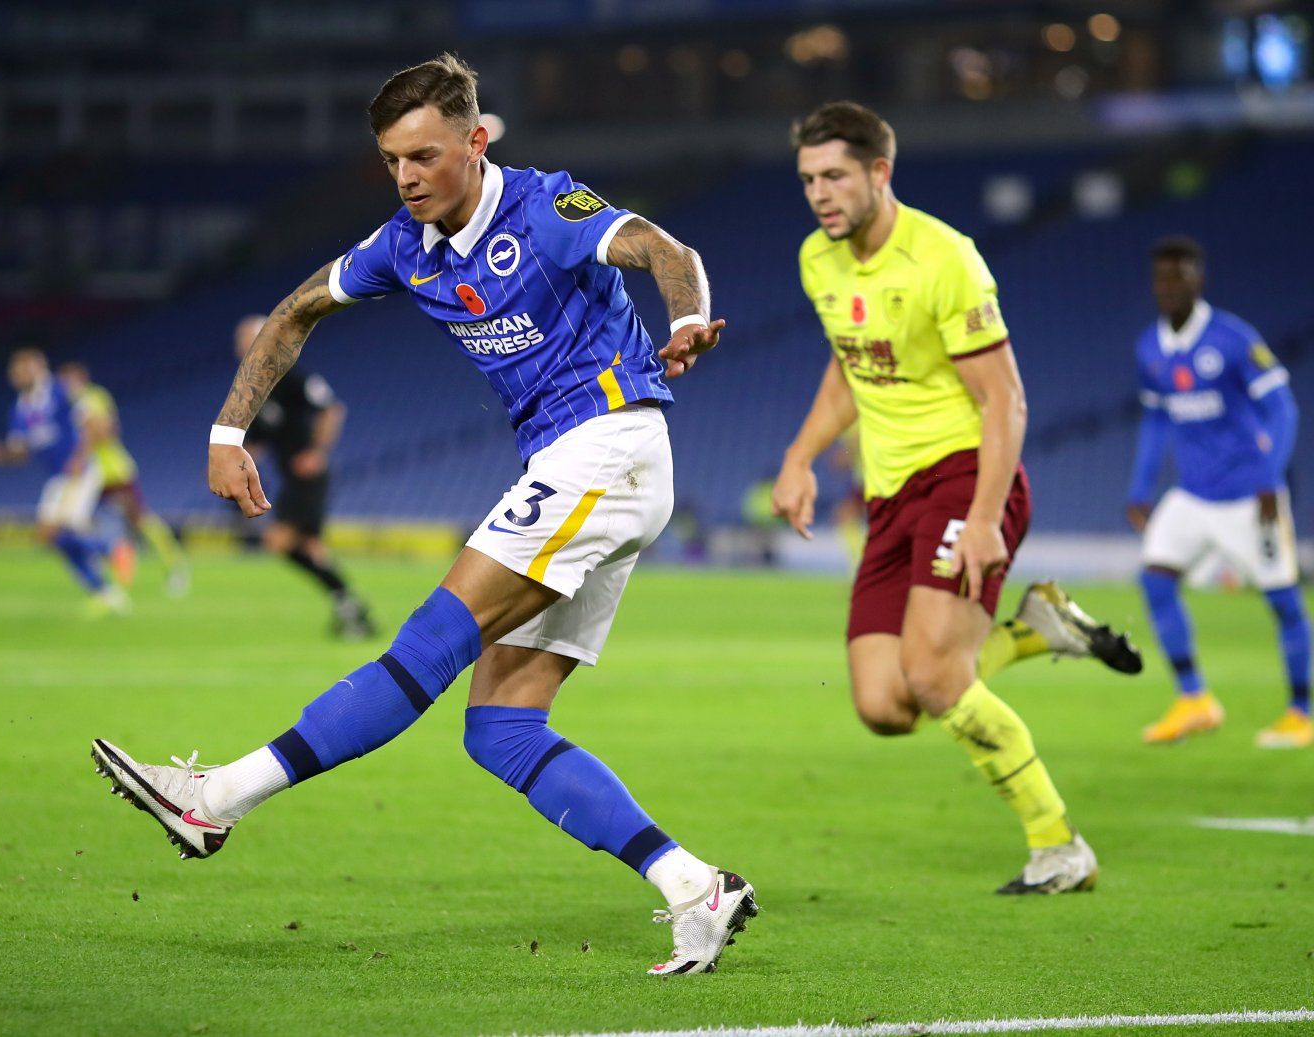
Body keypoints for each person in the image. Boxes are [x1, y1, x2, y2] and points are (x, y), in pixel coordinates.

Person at [92, 54, 756, 976]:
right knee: (502, 728)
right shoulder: (401, 246)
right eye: (392, 160)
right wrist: (226, 431)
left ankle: (219, 797)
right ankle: (694, 886)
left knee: (429, 642)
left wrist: (685, 320)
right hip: (583, 467)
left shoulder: (545, 208)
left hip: (607, 444)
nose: (406, 176)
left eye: (425, 155)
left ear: (476, 143)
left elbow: (663, 250)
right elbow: (293, 312)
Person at [771, 101, 1141, 895]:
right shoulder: (817, 259)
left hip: (967, 477)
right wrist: (799, 456)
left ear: (879, 172)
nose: (819, 194)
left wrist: (981, 519)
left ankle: (1058, 846)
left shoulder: (945, 259)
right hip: (890, 494)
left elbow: (1005, 398)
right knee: (885, 703)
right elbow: (849, 364)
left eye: (835, 176)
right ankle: (1039, 631)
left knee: (937, 676)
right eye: (807, 179)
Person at [1126, 236, 1307, 749]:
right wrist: (1140, 488)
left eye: (1179, 277)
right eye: (1162, 278)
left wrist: (1269, 478)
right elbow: (1156, 421)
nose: (1169, 287)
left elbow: (1283, 410)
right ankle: (1195, 699)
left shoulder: (1233, 339)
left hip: (1250, 494)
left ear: (1199, 281)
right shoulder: (1149, 347)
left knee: (1283, 602)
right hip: (1191, 495)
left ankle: (1302, 712)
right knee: (1155, 581)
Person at [230, 316, 372, 638]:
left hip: (307, 478)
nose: (241, 348)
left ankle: (349, 605)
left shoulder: (292, 376)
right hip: (293, 479)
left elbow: (332, 409)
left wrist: (316, 452)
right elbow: (258, 439)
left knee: (279, 541)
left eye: (246, 340)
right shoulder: (259, 388)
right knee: (309, 547)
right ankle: (351, 609)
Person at [0, 348, 128, 616]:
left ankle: (111, 548)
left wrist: (80, 456)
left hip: (79, 471)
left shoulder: (60, 391)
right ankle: (105, 591)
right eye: (15, 371)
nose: (17, 375)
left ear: (38, 367)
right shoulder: (20, 409)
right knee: (48, 535)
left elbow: (95, 423)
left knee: (60, 529)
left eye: (23, 369)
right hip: (58, 477)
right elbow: (20, 453)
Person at [57, 361, 191, 598]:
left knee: (139, 520)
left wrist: (81, 454)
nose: (65, 386)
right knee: (80, 523)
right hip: (89, 476)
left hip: (112, 471)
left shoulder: (92, 398)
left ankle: (175, 568)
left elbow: (106, 430)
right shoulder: (66, 406)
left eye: (68, 380)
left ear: (80, 378)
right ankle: (105, 572)